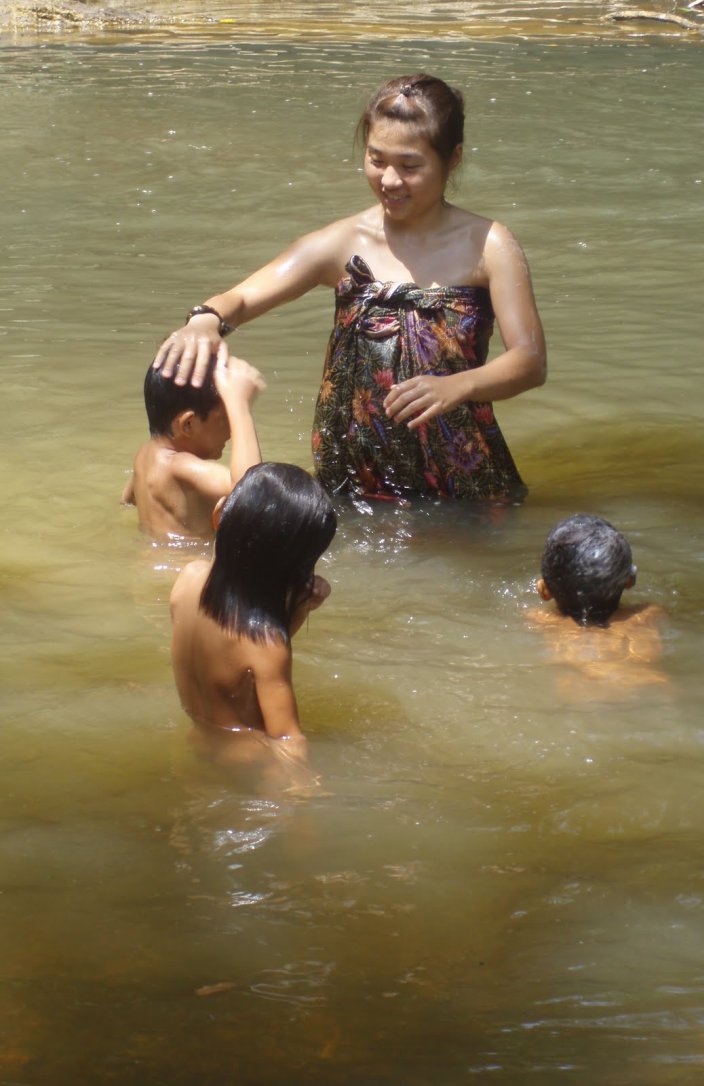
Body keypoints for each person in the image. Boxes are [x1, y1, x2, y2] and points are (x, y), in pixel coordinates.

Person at [153, 73, 546, 502]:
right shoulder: (343, 242)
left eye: (410, 166)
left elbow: (530, 360)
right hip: (352, 478)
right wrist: (206, 320)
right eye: (377, 160)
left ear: (452, 159)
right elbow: (244, 296)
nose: (390, 181)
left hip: (461, 478)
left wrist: (459, 385)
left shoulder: (489, 244)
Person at [170, 462, 337, 791]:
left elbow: (234, 663)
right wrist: (304, 806)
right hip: (254, 767)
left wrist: (297, 612)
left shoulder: (187, 580)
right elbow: (287, 739)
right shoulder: (267, 645)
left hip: (199, 745)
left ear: (219, 516)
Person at [122, 354, 265, 539]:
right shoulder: (180, 467)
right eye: (225, 417)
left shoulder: (144, 454)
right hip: (191, 562)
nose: (232, 429)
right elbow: (251, 491)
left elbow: (127, 500)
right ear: (188, 424)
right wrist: (240, 406)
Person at [529, 514, 667, 695]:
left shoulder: (539, 620)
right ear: (630, 581)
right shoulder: (649, 614)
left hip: (575, 690)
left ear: (544, 591)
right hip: (648, 686)